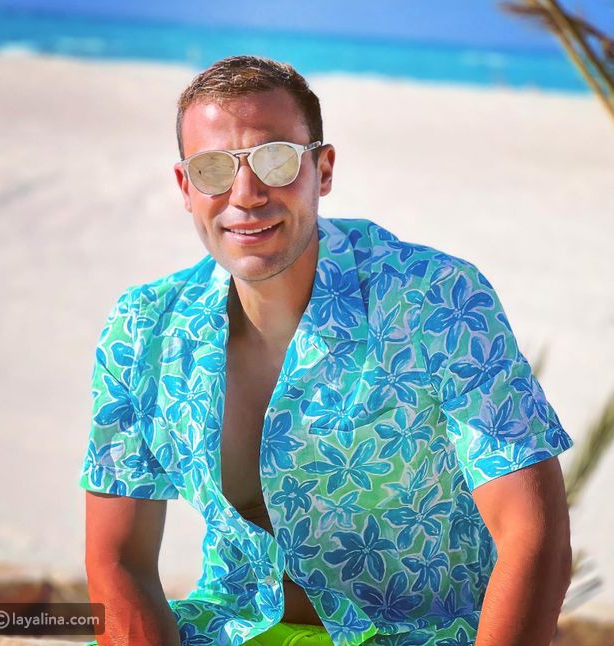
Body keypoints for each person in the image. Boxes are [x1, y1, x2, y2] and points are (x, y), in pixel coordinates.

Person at [79, 55, 574, 646]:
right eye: (213, 168)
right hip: (233, 630)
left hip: (419, 635)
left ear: (324, 169)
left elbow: (534, 537)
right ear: (187, 187)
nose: (246, 194)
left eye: (276, 159)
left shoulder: (434, 298)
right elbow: (119, 562)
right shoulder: (145, 330)